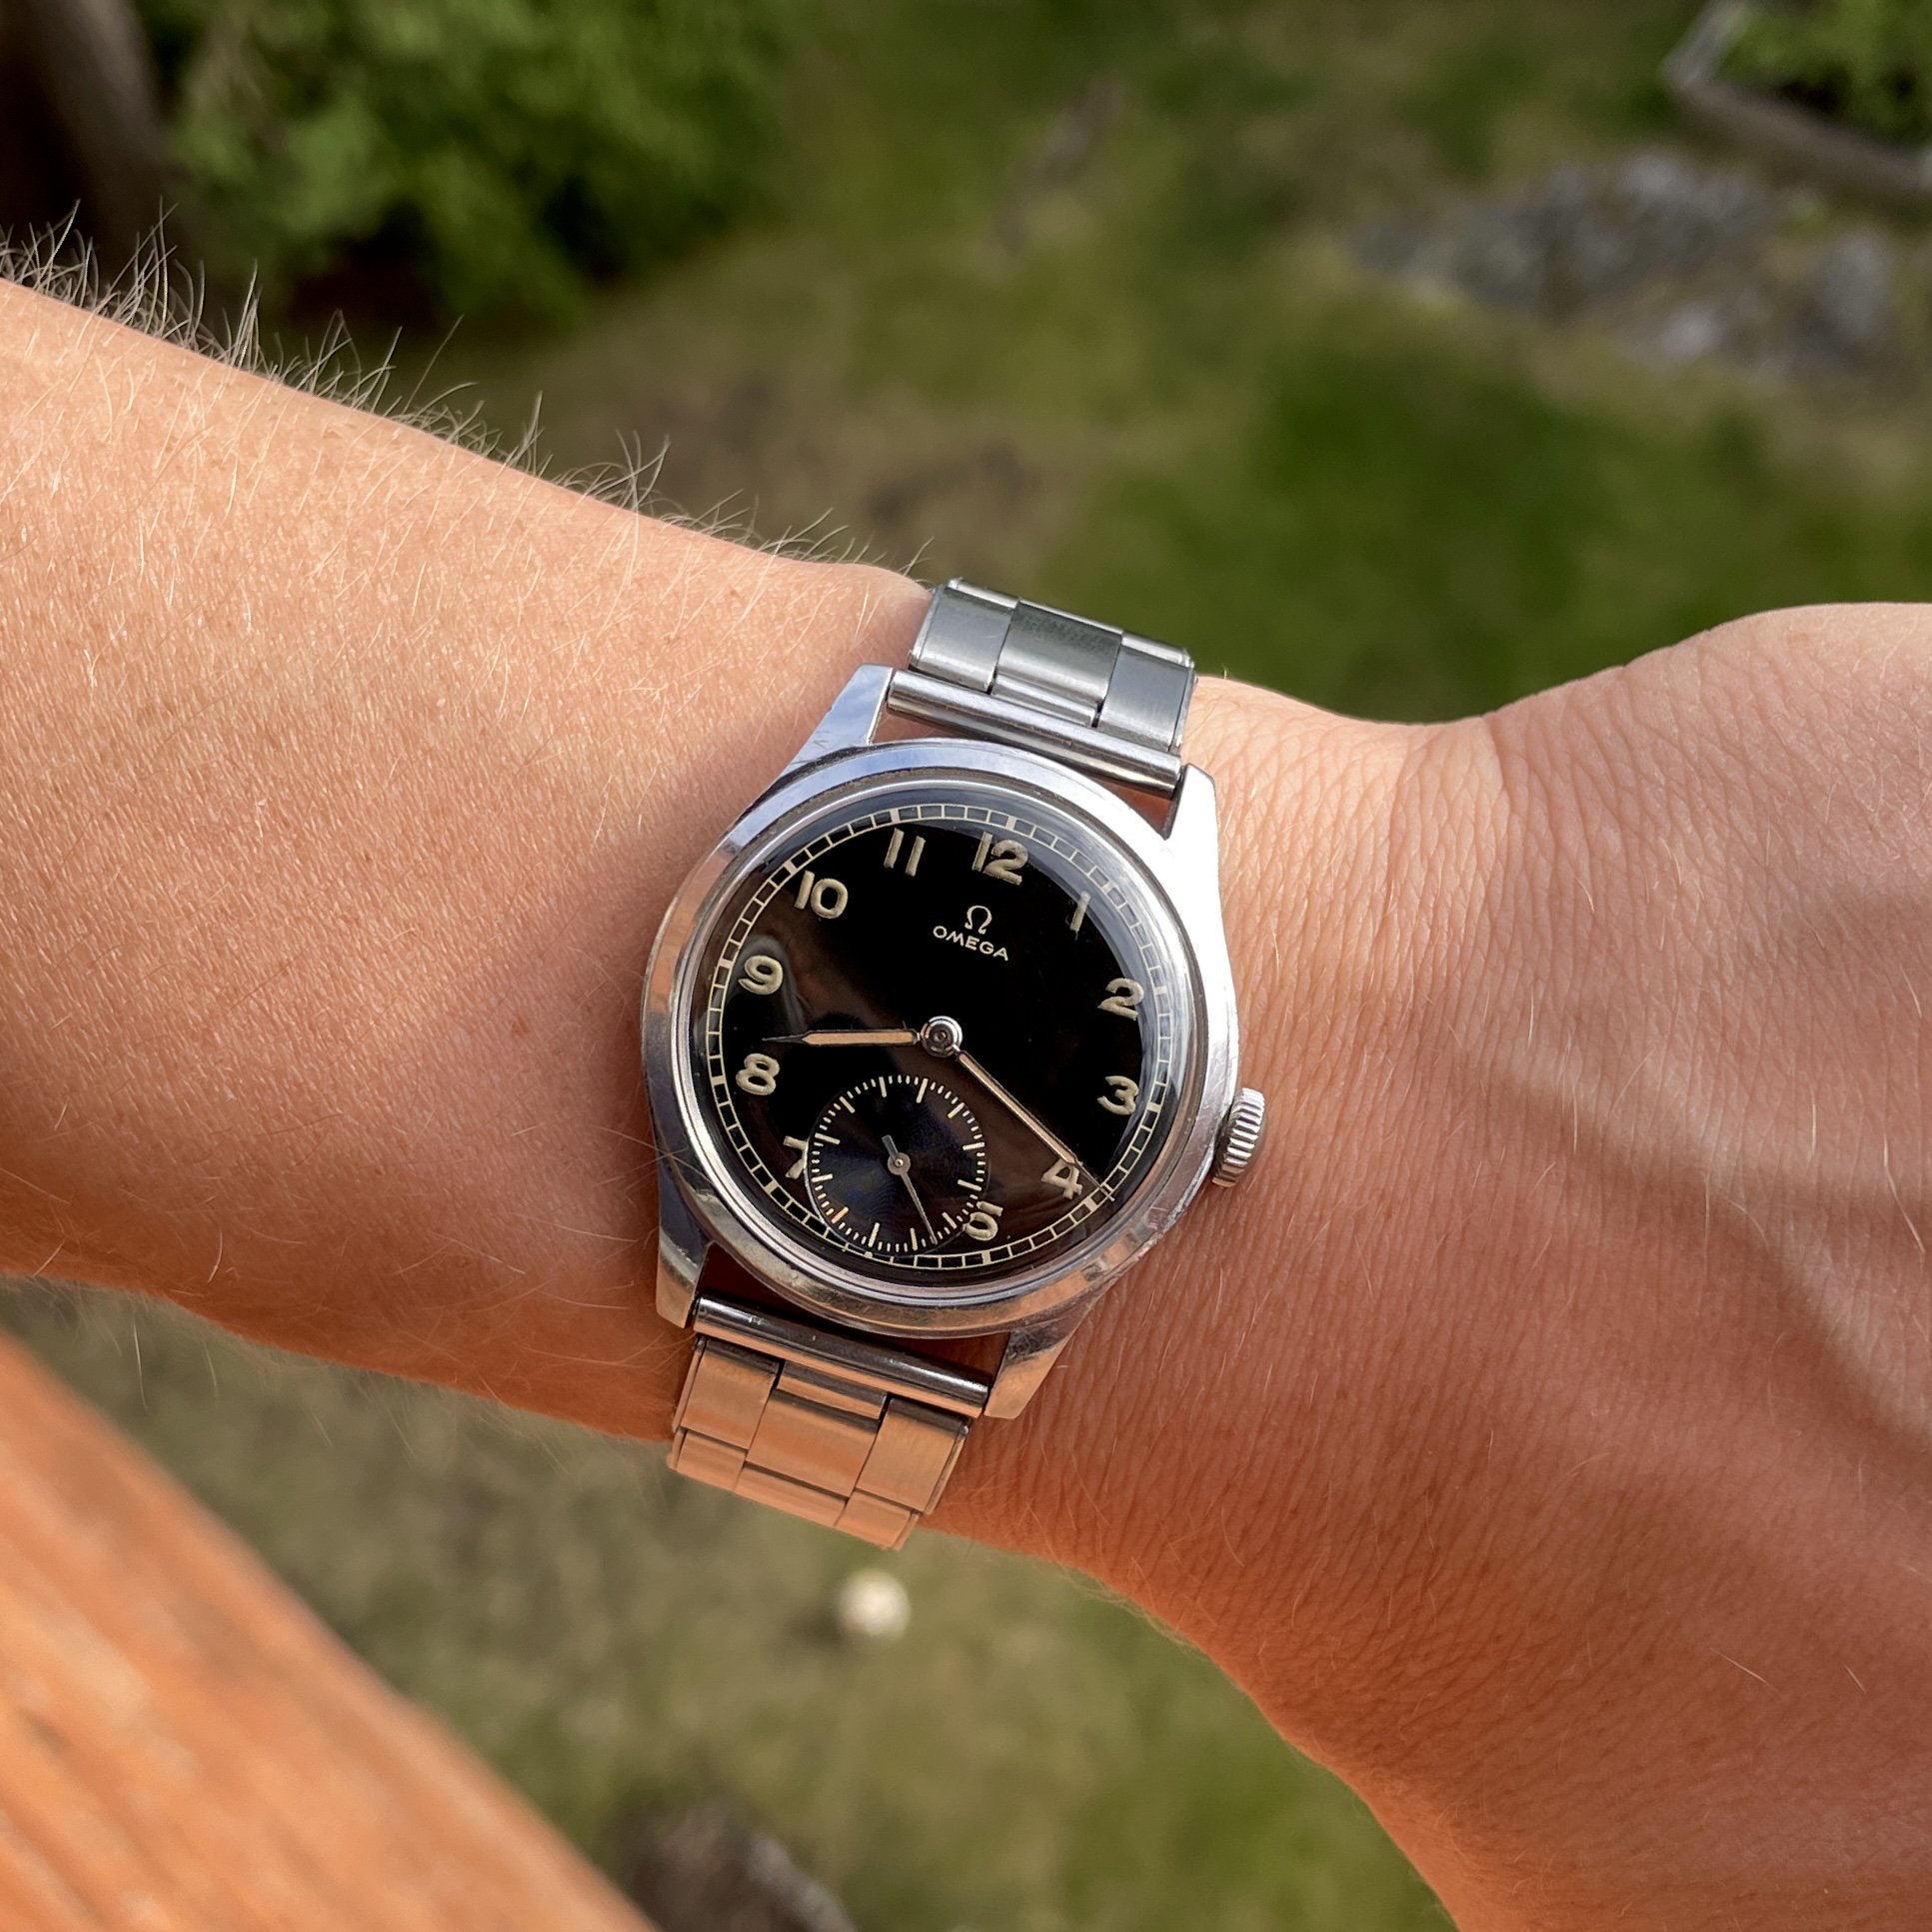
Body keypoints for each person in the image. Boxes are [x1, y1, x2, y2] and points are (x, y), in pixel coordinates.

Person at [0, 265, 1925, 1931]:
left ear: (1210, 1131)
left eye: (982, 1057)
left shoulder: (1049, 1112)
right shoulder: (781, 914)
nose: (935, 1049)